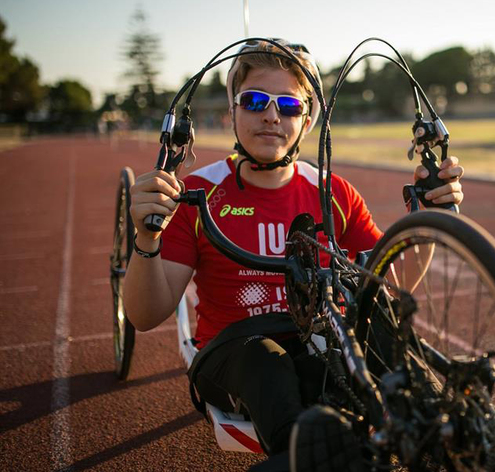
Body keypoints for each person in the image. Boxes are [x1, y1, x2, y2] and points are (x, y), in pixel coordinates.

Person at [123, 39, 464, 469]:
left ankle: (459, 438)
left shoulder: (333, 191)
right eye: (255, 101)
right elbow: (145, 315)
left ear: (306, 120)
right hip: (237, 351)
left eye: (288, 105)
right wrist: (146, 236)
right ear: (232, 111)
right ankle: (307, 455)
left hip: (321, 344)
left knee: (383, 328)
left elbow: (390, 285)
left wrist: (426, 218)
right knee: (266, 361)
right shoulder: (195, 193)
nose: (271, 115)